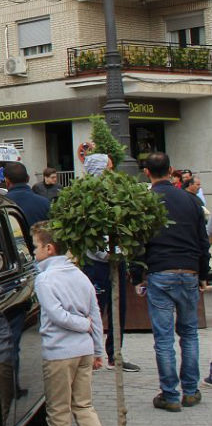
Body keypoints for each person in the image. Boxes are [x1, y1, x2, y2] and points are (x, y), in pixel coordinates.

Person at [134, 152, 210, 412]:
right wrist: (203, 274)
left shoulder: (145, 201)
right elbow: (203, 242)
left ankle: (170, 394)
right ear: (172, 170)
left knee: (164, 337)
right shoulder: (191, 201)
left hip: (160, 272)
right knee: (189, 334)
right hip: (188, 271)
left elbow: (137, 242)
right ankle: (190, 390)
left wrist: (137, 276)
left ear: (147, 173)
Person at [31, 222, 105, 426]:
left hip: (59, 352)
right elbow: (96, 314)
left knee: (59, 410)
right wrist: (98, 350)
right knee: (83, 406)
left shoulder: (45, 280)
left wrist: (84, 324)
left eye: (36, 246)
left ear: (49, 248)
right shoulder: (80, 275)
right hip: (84, 349)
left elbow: (57, 315)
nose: (33, 251)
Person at [78, 154, 138, 372]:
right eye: (109, 168)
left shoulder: (115, 194)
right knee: (93, 309)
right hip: (96, 263)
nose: (112, 172)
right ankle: (91, 354)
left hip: (116, 260)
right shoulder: (86, 196)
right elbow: (88, 233)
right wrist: (105, 253)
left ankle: (115, 354)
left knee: (118, 308)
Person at [3, 163, 50, 242]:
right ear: (28, 178)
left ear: (6, 181)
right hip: (40, 252)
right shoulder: (45, 203)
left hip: (9, 253)